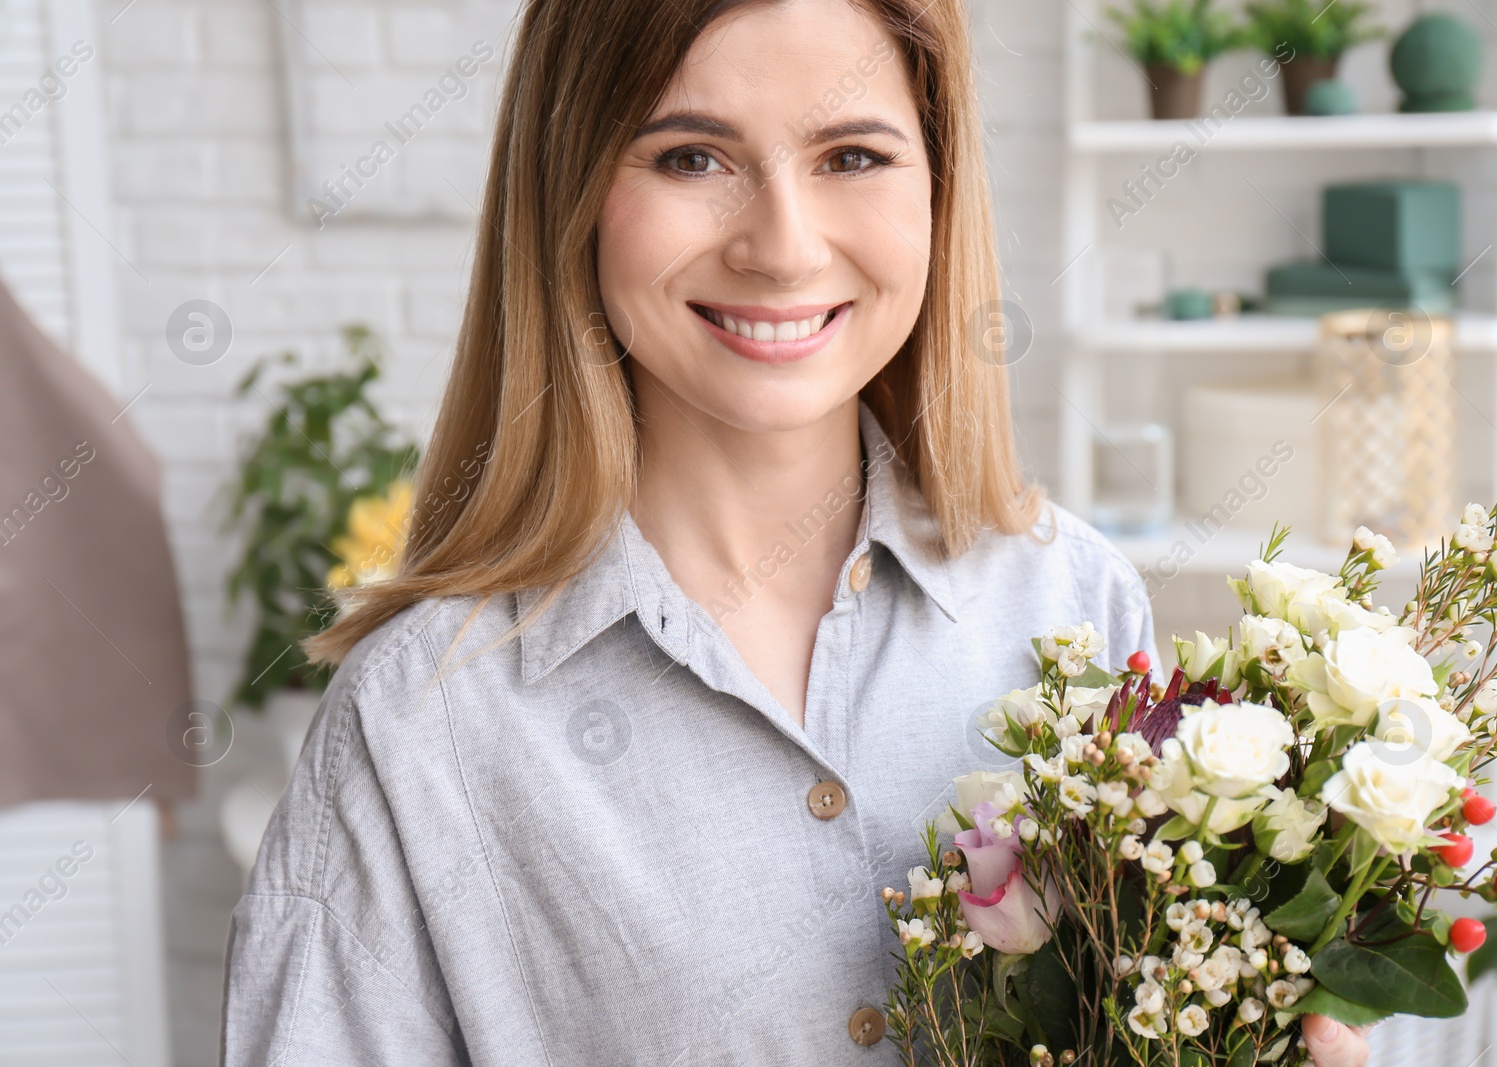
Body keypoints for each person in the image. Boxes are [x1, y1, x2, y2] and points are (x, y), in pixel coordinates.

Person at [220, 0, 1370, 1063]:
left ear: (936, 185)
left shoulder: (1071, 602)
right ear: (567, 190)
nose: (781, 244)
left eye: (852, 156)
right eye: (690, 156)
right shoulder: (420, 721)